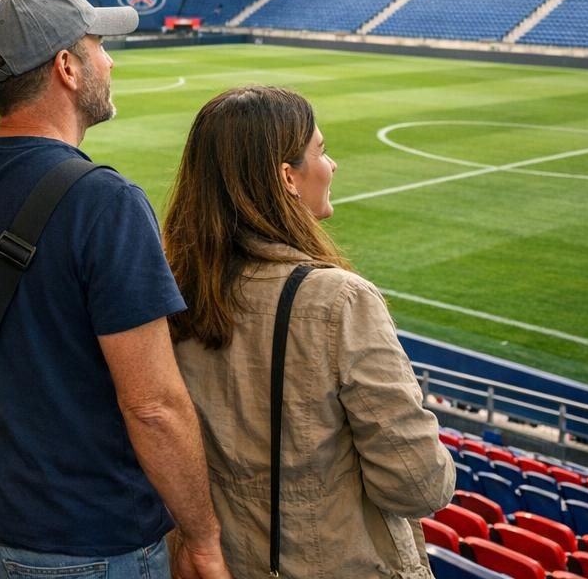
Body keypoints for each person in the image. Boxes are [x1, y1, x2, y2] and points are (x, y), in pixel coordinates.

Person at [0, 0, 231, 579]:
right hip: (89, 541)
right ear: (67, 68)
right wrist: (202, 539)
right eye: (99, 45)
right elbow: (153, 405)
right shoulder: (107, 202)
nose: (110, 59)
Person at [162, 86, 454, 579]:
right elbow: (418, 484)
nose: (332, 165)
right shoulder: (338, 301)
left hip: (216, 561)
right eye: (320, 151)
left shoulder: (170, 288)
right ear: (287, 177)